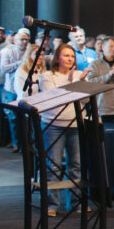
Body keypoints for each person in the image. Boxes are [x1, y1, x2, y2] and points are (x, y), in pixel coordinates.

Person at [40, 44, 87, 202]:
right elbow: (56, 101)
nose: (69, 59)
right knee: (54, 165)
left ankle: (75, 203)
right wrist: (73, 83)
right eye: (66, 55)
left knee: (76, 165)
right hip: (53, 125)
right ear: (57, 57)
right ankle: (52, 204)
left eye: (72, 56)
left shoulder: (80, 75)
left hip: (75, 124)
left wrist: (78, 82)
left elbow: (86, 99)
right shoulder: (47, 76)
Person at [86, 37, 114, 127]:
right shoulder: (94, 64)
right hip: (102, 109)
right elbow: (91, 84)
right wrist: (108, 75)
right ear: (103, 47)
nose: (113, 49)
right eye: (110, 46)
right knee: (104, 138)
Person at [1, 28, 30, 151]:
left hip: (24, 90)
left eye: (26, 40)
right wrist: (19, 63)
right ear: (15, 40)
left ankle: (26, 144)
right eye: (22, 39)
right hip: (11, 89)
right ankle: (16, 143)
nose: (24, 42)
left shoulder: (30, 52)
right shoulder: (7, 51)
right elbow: (3, 68)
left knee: (25, 119)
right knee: (12, 118)